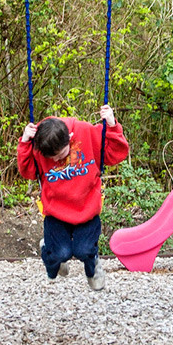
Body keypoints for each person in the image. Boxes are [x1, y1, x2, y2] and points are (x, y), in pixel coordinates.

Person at [18, 105, 130, 290]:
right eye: (51, 158)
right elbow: (28, 171)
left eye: (60, 155)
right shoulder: (42, 143)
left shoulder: (86, 132)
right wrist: (24, 142)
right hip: (56, 211)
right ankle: (49, 249)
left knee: (84, 250)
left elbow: (115, 153)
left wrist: (111, 124)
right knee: (60, 254)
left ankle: (93, 269)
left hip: (86, 208)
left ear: (70, 139)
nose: (56, 161)